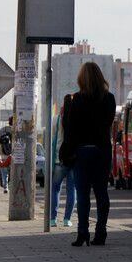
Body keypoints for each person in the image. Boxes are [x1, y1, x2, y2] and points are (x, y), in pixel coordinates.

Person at [59, 62, 116, 247]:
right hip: (102, 151)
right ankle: (101, 231)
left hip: (81, 152)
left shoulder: (75, 100)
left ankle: (82, 232)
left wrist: (68, 151)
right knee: (101, 193)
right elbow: (108, 123)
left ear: (81, 79)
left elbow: (70, 130)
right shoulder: (109, 99)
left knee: (82, 194)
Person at [49, 95, 77, 227]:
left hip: (58, 159)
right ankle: (67, 219)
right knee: (72, 190)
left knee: (55, 189)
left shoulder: (56, 119)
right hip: (73, 160)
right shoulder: (78, 119)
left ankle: (53, 219)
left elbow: (52, 139)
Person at [0, 117, 13, 192]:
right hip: (14, 155)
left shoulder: (3, 129)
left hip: (3, 154)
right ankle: (13, 186)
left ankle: (6, 187)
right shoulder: (18, 130)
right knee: (14, 172)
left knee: (4, 173)